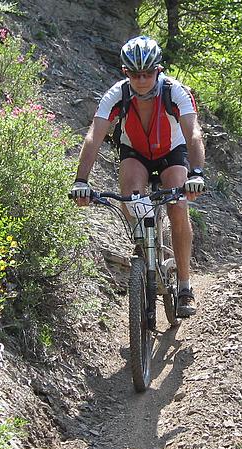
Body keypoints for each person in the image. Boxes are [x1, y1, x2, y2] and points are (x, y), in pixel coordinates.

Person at [69, 35, 206, 318]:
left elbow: (193, 133)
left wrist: (197, 173)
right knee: (130, 198)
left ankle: (184, 286)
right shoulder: (116, 94)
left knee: (178, 206)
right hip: (136, 152)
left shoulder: (175, 91)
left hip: (171, 151)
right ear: (125, 72)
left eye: (147, 73)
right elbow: (95, 136)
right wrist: (81, 180)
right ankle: (145, 248)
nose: (142, 80)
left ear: (158, 70)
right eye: (135, 74)